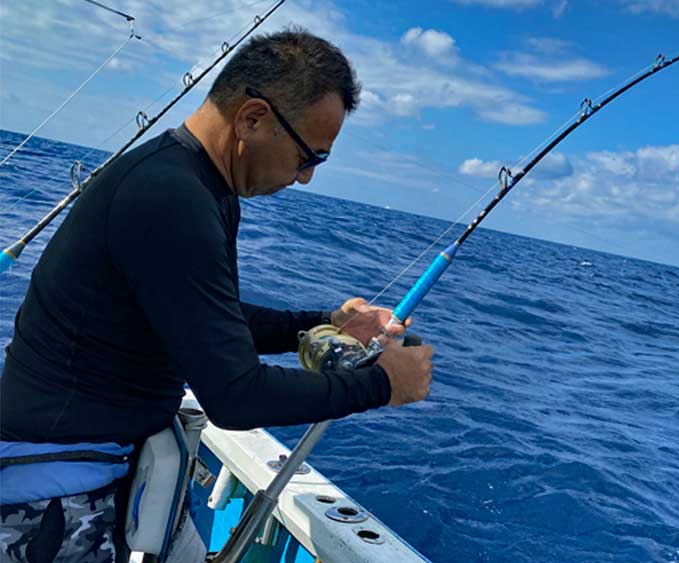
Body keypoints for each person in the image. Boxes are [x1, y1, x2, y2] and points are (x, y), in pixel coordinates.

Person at [0, 28, 434, 562]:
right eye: (309, 157)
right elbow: (235, 397)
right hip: (56, 492)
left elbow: (208, 317)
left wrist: (326, 322)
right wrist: (382, 384)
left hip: (111, 468)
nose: (305, 179)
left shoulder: (201, 188)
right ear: (252, 118)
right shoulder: (170, 197)